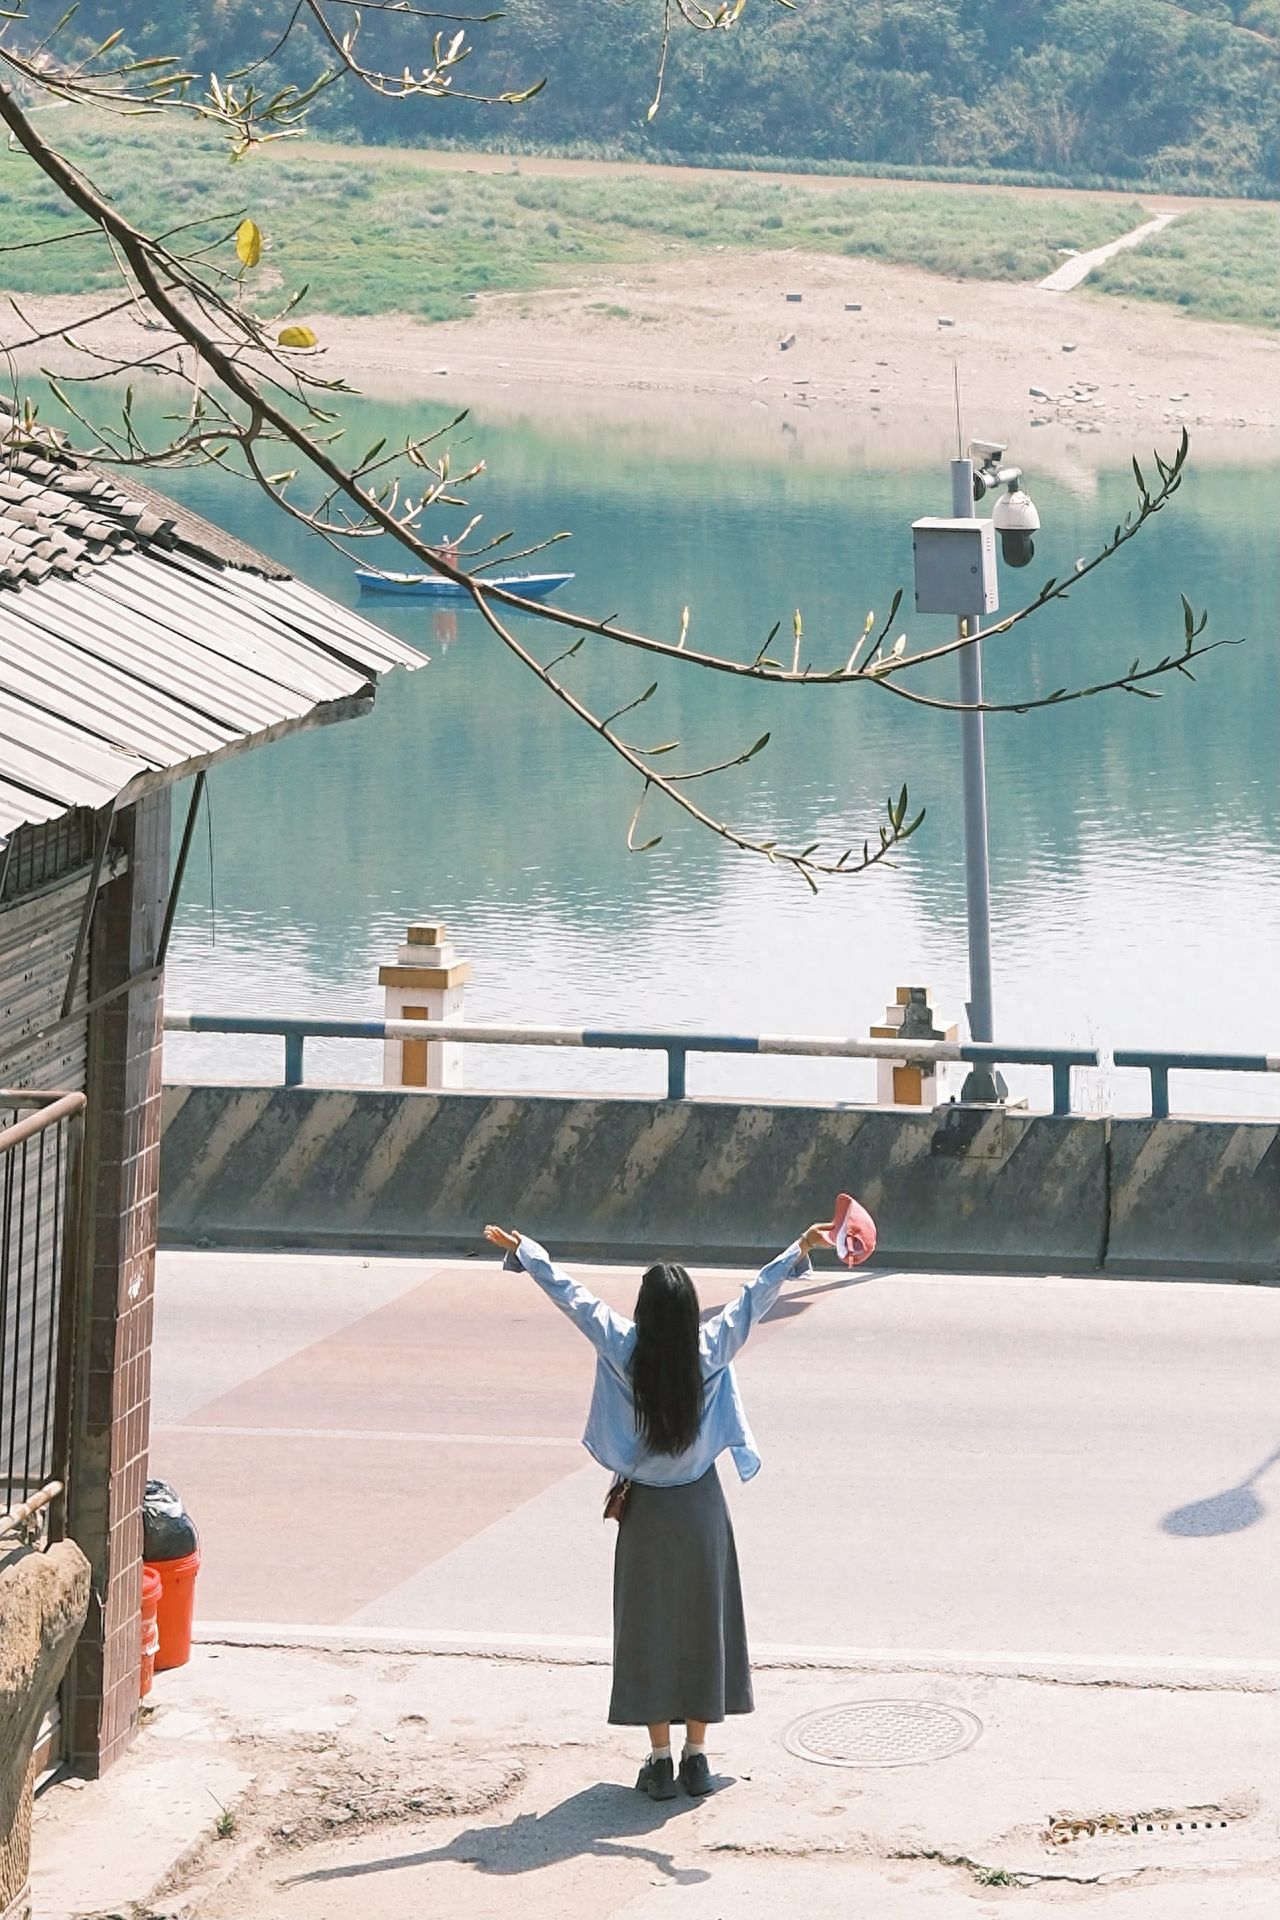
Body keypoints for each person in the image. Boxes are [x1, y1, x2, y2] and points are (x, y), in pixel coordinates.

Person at [483, 1218, 834, 1800]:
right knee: (703, 1623)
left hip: (645, 1512)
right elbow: (754, 1300)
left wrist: (528, 1252)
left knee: (648, 1629)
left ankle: (660, 1759)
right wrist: (800, 1248)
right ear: (691, 1309)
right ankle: (699, 1757)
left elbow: (574, 1298)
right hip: (700, 1507)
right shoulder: (710, 1346)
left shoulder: (623, 1346)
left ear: (644, 1311)